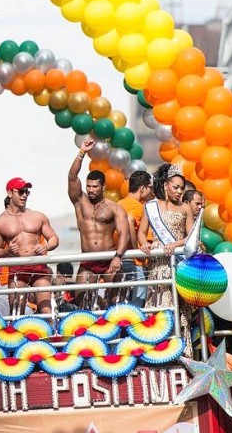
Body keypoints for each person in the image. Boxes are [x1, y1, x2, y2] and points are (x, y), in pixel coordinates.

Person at [137, 163, 195, 354]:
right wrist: (144, 243)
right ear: (165, 185)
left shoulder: (185, 208)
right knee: (159, 305)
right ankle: (157, 351)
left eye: (181, 188)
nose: (179, 192)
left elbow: (191, 237)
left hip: (178, 266)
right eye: (175, 187)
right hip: (158, 267)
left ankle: (181, 351)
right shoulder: (151, 207)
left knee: (178, 309)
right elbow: (141, 232)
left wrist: (176, 244)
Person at [67, 138, 131, 308]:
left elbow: (125, 233)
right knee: (82, 303)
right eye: (88, 186)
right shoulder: (80, 201)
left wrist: (118, 257)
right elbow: (72, 177)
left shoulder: (114, 208)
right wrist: (82, 152)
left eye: (95, 187)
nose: (91, 190)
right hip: (88, 261)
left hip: (109, 259)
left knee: (116, 303)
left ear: (103, 187)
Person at [0, 177, 59, 315]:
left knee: (47, 310)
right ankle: (20, 336)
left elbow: (54, 238)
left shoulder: (38, 216)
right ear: (10, 193)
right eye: (21, 191)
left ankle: (49, 335)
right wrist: (7, 251)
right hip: (17, 269)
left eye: (26, 192)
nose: (24, 195)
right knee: (16, 313)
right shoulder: (0, 223)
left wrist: (46, 246)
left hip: (39, 266)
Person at [117, 170, 154, 307]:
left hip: (119, 259)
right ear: (143, 188)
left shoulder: (118, 204)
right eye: (150, 188)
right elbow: (130, 221)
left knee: (120, 303)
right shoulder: (140, 208)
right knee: (137, 304)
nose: (151, 191)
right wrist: (134, 250)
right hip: (135, 262)